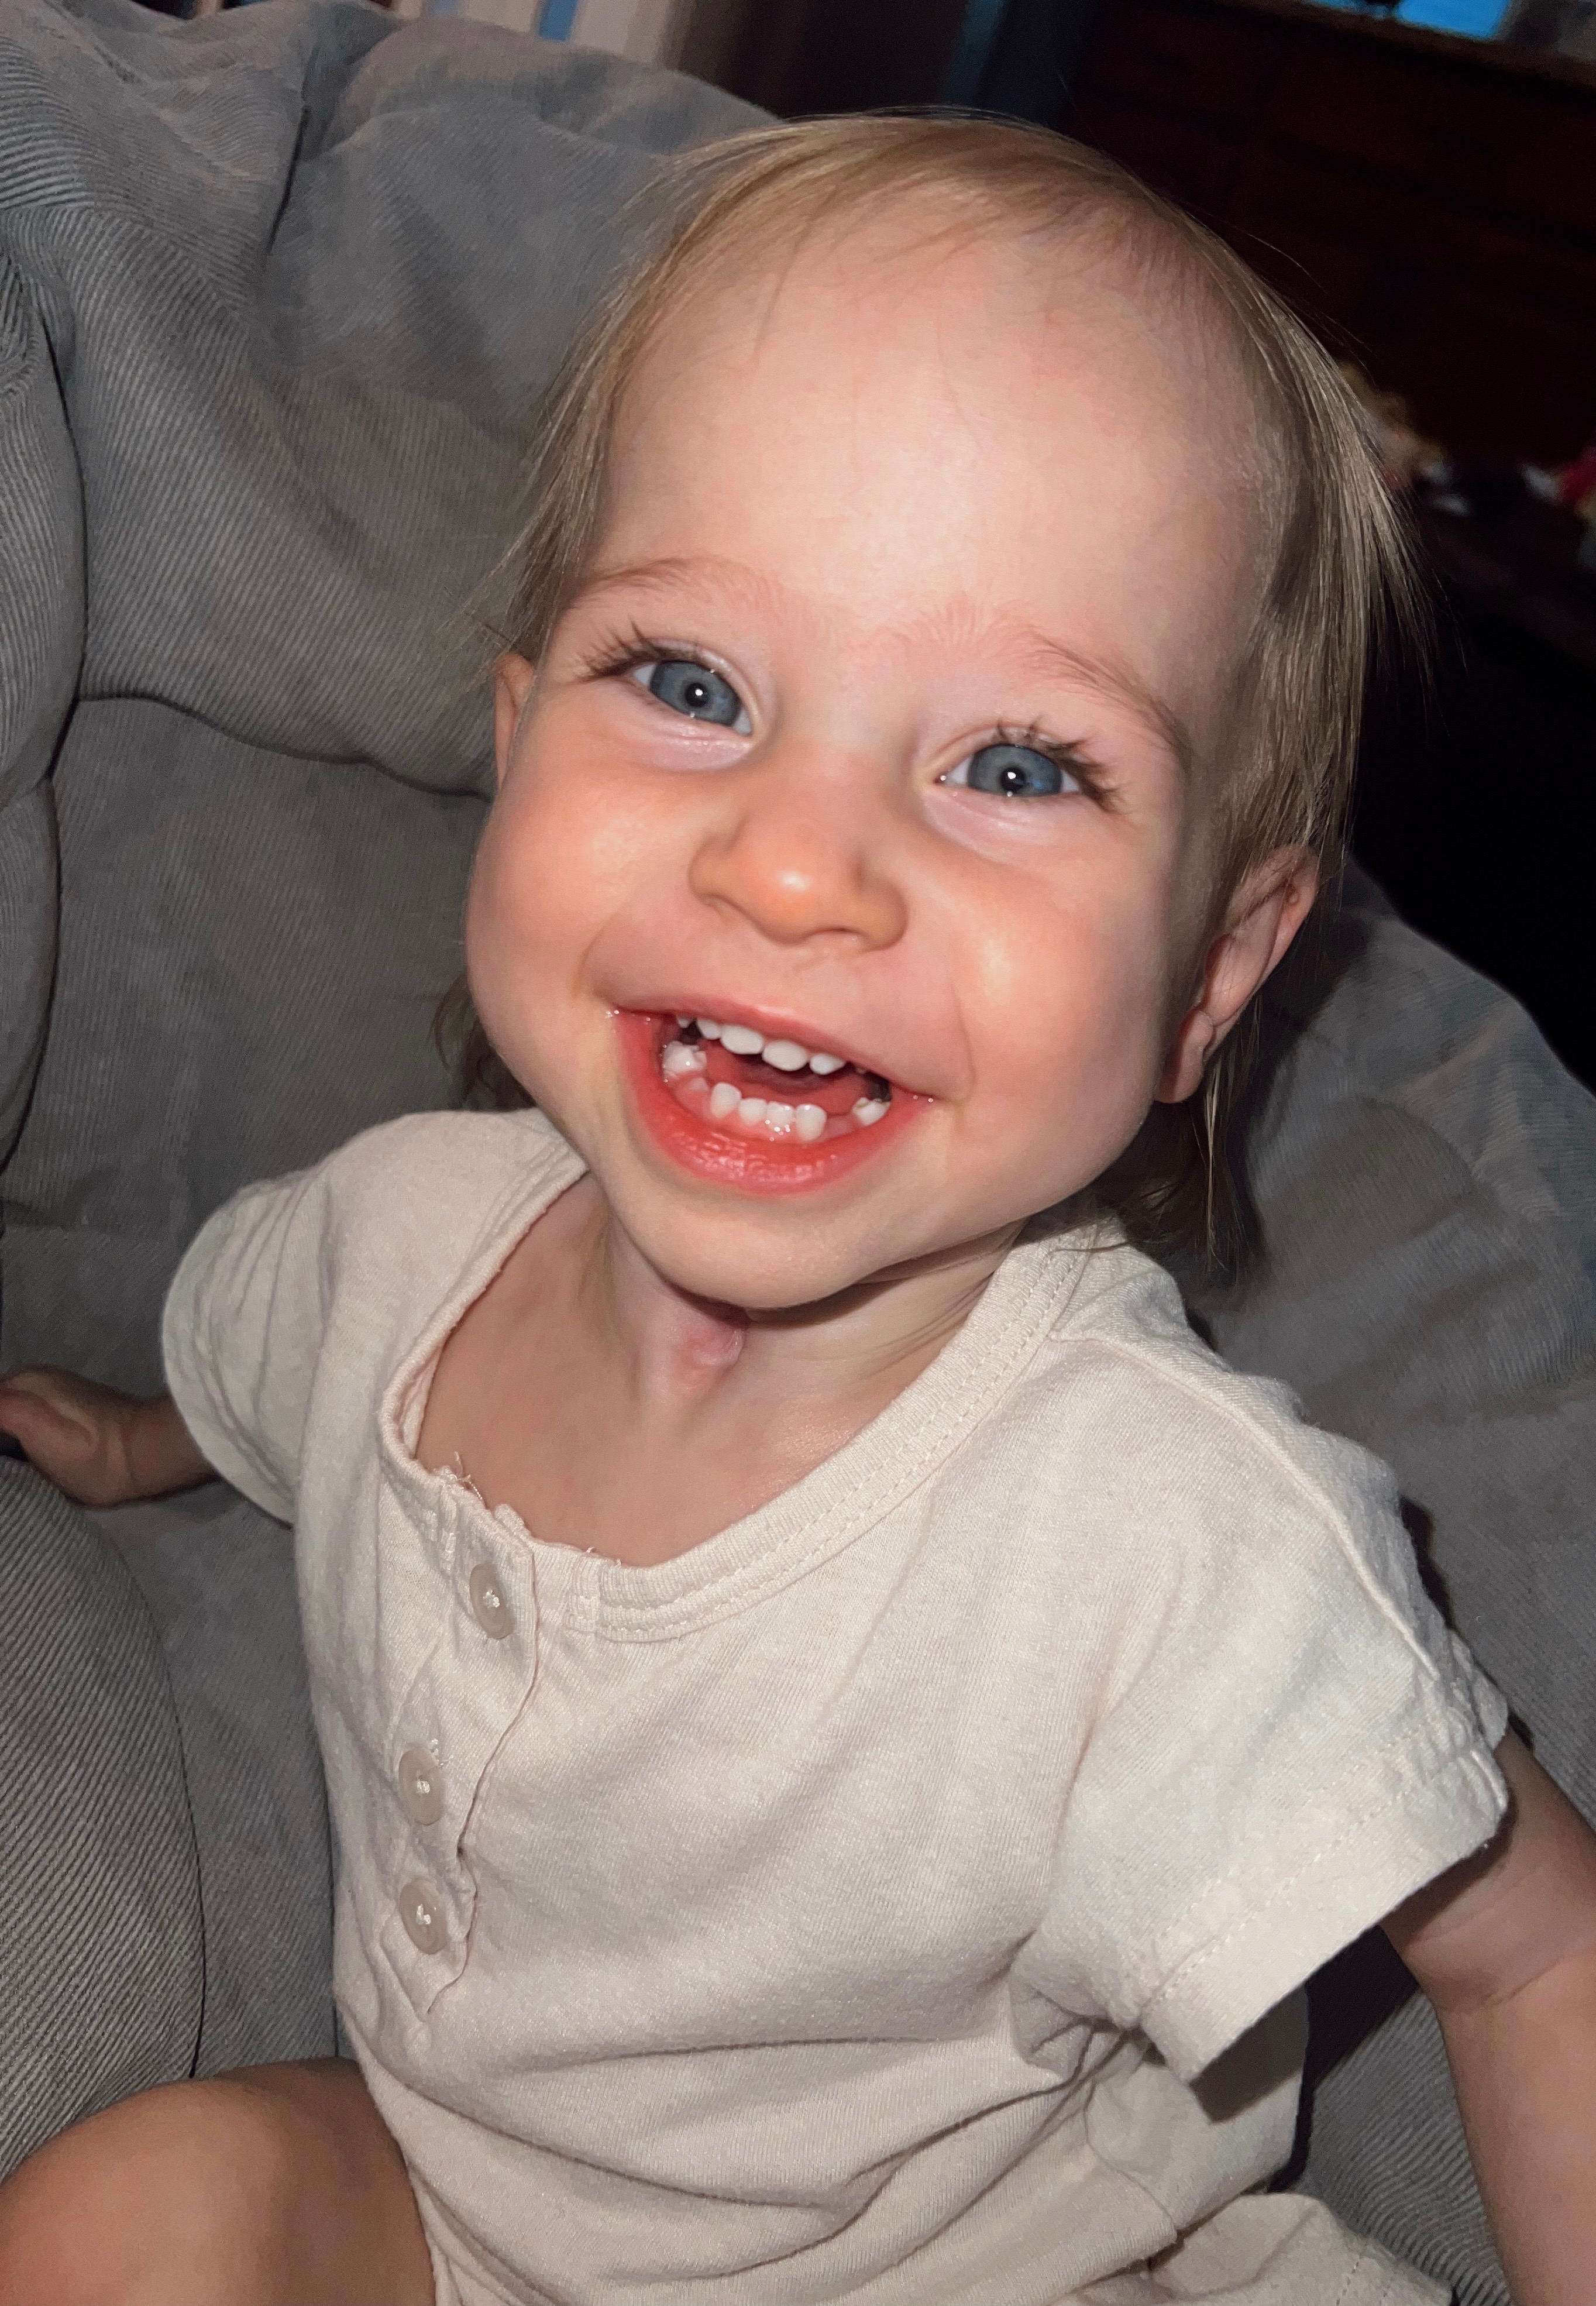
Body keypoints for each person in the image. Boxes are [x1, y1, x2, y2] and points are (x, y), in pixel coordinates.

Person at [0, 114, 1591, 2306]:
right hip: (462, 2205)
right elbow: (265, 1357)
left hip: (984, 2279)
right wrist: (135, 1435)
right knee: (130, 2211)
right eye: (691, 686)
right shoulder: (398, 1233)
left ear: (1212, 978)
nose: (794, 864)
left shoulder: (1171, 1545)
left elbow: (1536, 1948)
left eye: (1015, 767)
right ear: (516, 738)